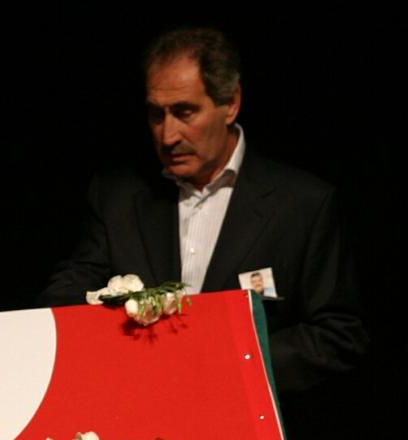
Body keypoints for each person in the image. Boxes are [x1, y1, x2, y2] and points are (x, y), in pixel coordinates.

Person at [39, 27, 366, 395]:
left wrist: (224, 362)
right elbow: (65, 297)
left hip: (247, 413)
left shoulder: (301, 204)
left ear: (231, 103)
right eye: (156, 115)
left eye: (184, 112)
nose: (168, 135)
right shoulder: (118, 196)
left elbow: (337, 335)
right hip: (141, 408)